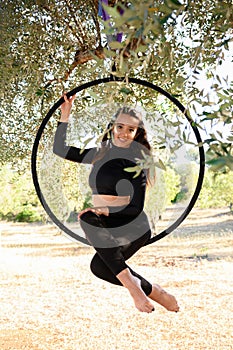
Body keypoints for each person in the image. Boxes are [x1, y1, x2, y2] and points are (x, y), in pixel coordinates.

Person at [53, 93, 179, 314]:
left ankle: (134, 290)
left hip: (133, 226)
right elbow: (60, 149)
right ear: (112, 127)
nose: (124, 133)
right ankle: (154, 291)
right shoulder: (100, 153)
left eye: (130, 130)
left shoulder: (138, 160)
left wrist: (106, 209)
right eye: (119, 127)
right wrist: (65, 116)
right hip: (106, 225)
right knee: (99, 266)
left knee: (89, 222)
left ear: (136, 133)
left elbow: (135, 207)